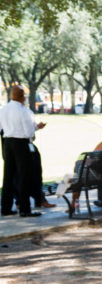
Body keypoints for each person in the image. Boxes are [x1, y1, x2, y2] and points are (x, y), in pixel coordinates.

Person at [0, 84, 47, 217]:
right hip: (21, 144)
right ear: (22, 96)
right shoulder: (24, 111)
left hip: (7, 143)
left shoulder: (3, 110)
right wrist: (36, 128)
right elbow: (28, 132)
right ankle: (25, 209)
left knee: (8, 176)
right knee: (24, 176)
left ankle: (5, 207)